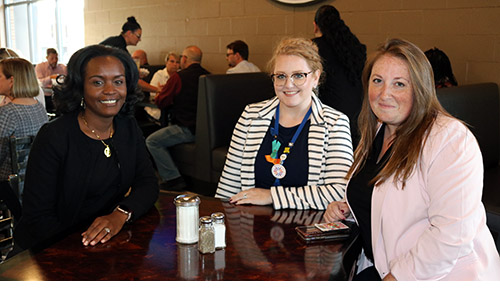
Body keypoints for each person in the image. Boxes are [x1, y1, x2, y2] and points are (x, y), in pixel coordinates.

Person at [324, 38, 500, 280]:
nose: (385, 94)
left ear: (421, 88)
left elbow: (451, 237)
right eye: (378, 81)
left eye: (399, 84)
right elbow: (385, 198)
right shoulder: (378, 129)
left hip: (441, 278)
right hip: (384, 265)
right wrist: (349, 209)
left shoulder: (450, 139)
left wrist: (394, 281)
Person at [13, 45, 159, 251]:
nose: (110, 90)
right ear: (80, 87)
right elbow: (38, 218)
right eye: (97, 82)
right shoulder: (55, 136)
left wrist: (120, 215)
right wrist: (84, 250)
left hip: (102, 244)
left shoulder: (127, 126)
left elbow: (148, 183)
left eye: (118, 81)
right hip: (49, 249)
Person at [215, 37, 353, 210]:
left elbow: (340, 193)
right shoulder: (251, 116)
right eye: (281, 76)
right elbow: (228, 187)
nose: (288, 85)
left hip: (306, 230)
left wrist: (271, 196)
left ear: (316, 77)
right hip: (251, 230)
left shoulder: (335, 123)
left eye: (298, 75)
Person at [146, 45, 210, 191]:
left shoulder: (179, 78)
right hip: (206, 131)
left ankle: (173, 178)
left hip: (187, 128)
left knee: (152, 141)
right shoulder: (210, 76)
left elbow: (161, 101)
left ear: (184, 59)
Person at [312, 5, 366, 147]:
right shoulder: (354, 46)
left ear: (315, 25)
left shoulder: (314, 48)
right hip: (358, 120)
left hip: (331, 122)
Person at [0, 58, 48, 182]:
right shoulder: (39, 107)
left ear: (11, 81)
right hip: (36, 178)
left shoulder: (8, 112)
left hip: (10, 183)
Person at [100, 16, 158, 94]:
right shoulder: (118, 48)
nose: (139, 40)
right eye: (138, 36)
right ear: (129, 33)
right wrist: (157, 89)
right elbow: (132, 79)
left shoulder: (115, 42)